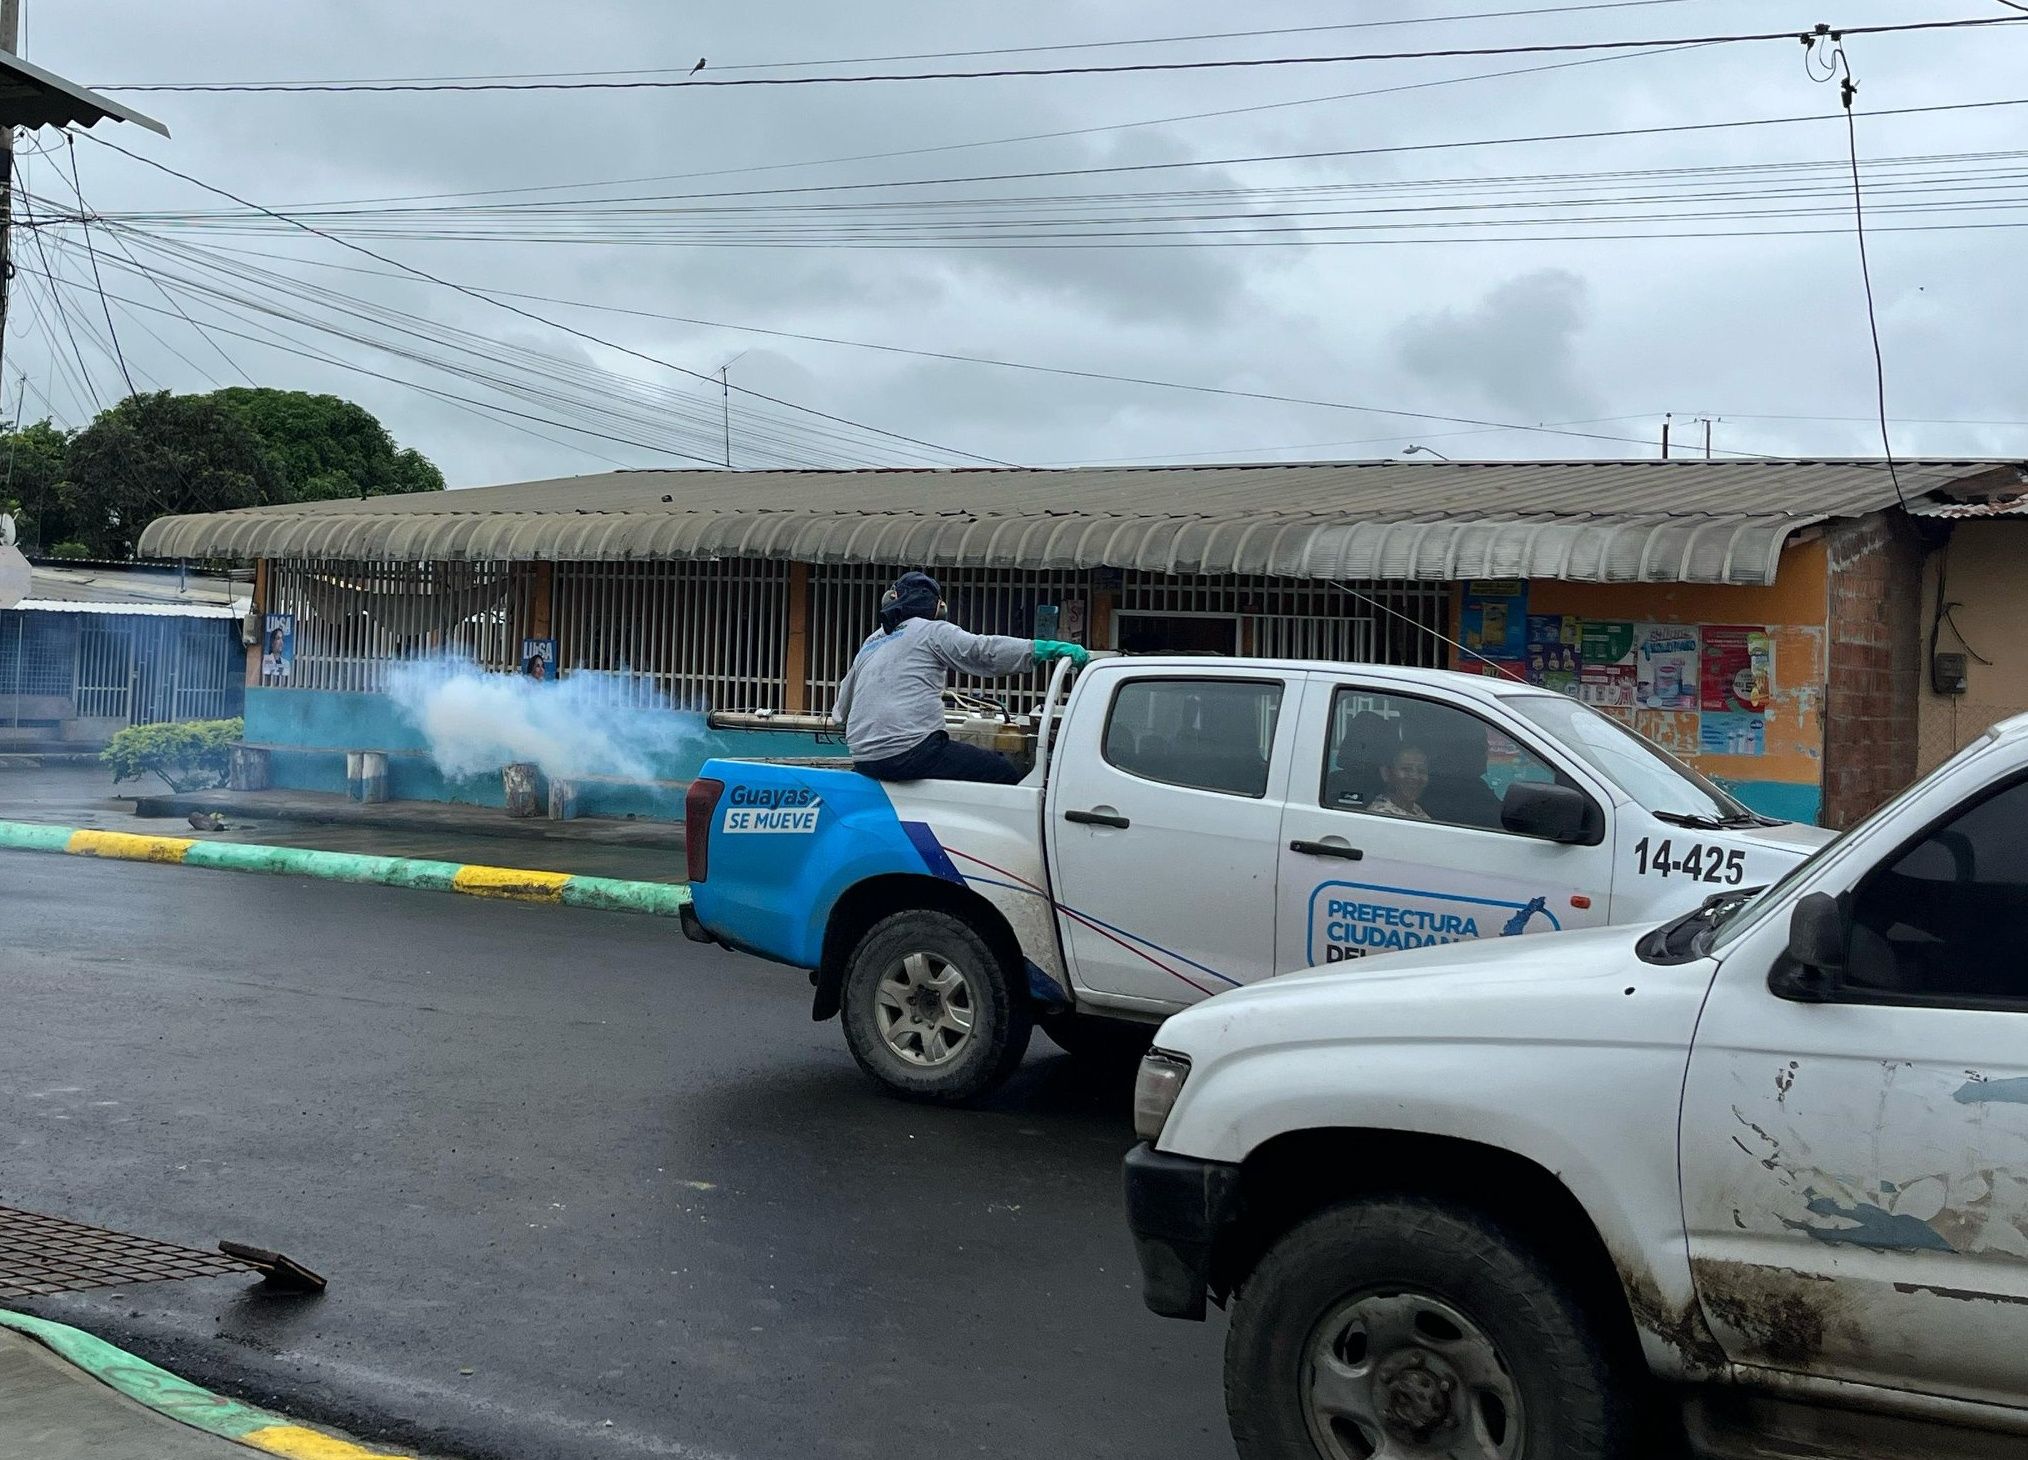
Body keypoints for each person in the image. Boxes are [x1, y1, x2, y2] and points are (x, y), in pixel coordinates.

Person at [834, 571, 1089, 785]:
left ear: (892, 598)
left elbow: (840, 711)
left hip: (865, 759)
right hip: (912, 752)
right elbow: (983, 652)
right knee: (1003, 772)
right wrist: (1040, 649)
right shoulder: (931, 630)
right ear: (937, 606)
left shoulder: (872, 640)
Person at [1367, 744, 1433, 821]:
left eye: (1421, 771)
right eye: (1406, 769)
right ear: (1387, 773)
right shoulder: (1381, 816)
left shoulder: (1415, 809)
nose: (1415, 777)